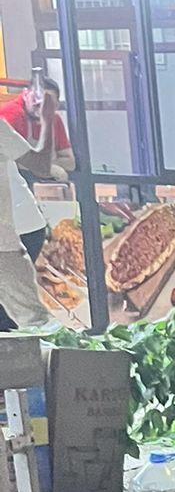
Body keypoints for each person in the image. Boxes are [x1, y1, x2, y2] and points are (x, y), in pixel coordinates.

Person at [0, 88, 61, 329]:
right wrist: (48, 119)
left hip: (10, 237)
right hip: (5, 244)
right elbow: (41, 166)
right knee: (34, 324)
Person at [0, 76, 74, 260]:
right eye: (37, 98)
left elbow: (69, 161)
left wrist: (49, 167)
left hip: (33, 215)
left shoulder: (53, 119)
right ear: (25, 94)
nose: (40, 105)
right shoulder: (11, 115)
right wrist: (47, 167)